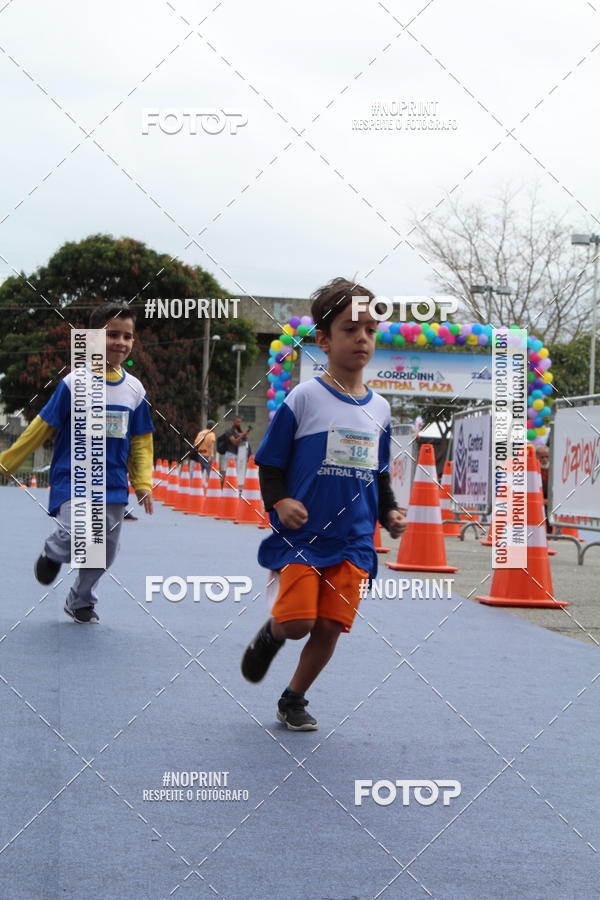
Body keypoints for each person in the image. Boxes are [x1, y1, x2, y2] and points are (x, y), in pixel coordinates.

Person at [241, 277, 406, 730]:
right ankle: (272, 633)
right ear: (323, 340)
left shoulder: (382, 409)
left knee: (330, 626)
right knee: (298, 622)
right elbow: (270, 462)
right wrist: (279, 503)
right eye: (351, 329)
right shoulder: (305, 397)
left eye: (371, 330)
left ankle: (293, 698)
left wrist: (388, 511)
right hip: (304, 535)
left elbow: (379, 472)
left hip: (353, 539)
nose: (363, 339)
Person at [0, 302, 154, 623]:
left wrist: (143, 482)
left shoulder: (134, 390)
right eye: (112, 334)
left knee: (102, 552)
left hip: (112, 485)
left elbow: (141, 442)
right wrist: (7, 464)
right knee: (77, 530)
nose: (121, 342)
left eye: (127, 336)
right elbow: (40, 428)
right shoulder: (74, 383)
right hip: (74, 477)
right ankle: (54, 551)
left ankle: (80, 599)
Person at [535, 443, 551, 531]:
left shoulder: (553, 471)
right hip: (538, 503)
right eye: (542, 457)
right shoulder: (531, 472)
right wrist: (543, 501)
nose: (545, 460)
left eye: (547, 457)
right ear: (536, 457)